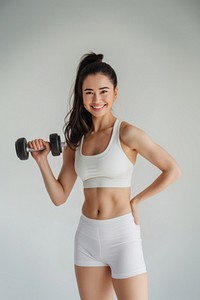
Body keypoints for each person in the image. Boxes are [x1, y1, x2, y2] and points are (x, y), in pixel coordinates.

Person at [28, 52, 181, 300]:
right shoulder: (76, 142)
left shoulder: (128, 133)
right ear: (81, 96)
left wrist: (137, 201)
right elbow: (59, 196)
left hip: (122, 236)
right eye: (88, 92)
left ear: (115, 93)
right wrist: (42, 161)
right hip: (87, 237)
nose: (96, 99)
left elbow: (173, 170)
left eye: (103, 91)